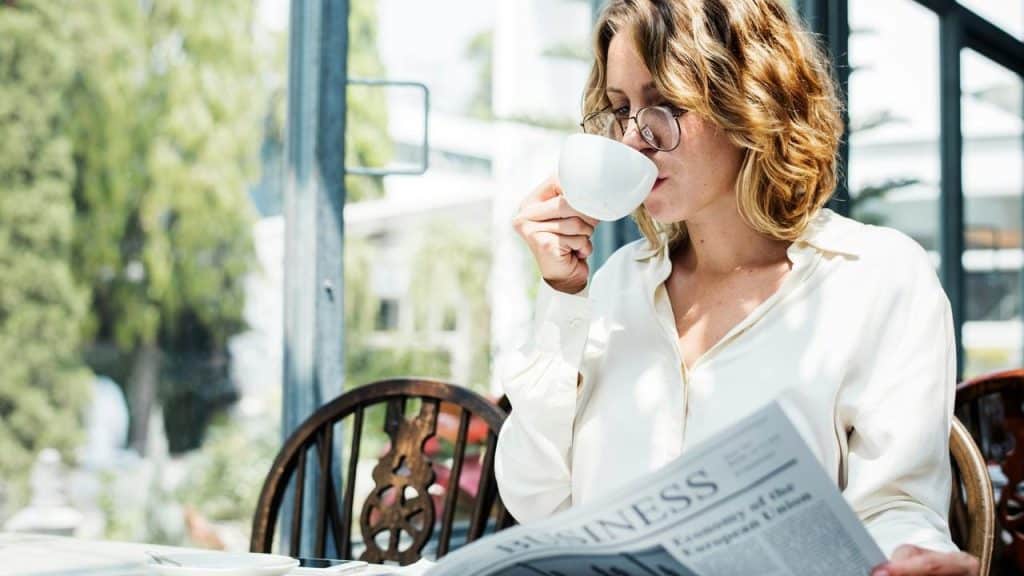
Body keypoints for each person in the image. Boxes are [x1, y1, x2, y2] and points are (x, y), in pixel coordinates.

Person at [494, 1, 979, 575]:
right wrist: (561, 298)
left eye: (664, 104)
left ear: (750, 101)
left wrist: (912, 561)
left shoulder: (876, 277)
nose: (633, 141)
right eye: (621, 110)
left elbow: (896, 505)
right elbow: (537, 500)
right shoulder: (617, 282)